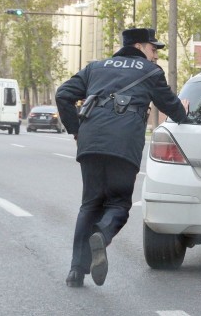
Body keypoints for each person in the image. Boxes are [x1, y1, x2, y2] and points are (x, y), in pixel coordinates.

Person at [56, 28, 189, 288]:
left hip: (91, 141)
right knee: (118, 203)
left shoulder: (95, 67)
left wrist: (76, 131)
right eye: (153, 49)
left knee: (90, 203)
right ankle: (101, 234)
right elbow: (171, 106)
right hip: (123, 144)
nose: (155, 56)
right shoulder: (150, 72)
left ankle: (75, 271)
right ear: (139, 47)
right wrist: (183, 113)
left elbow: (63, 94)